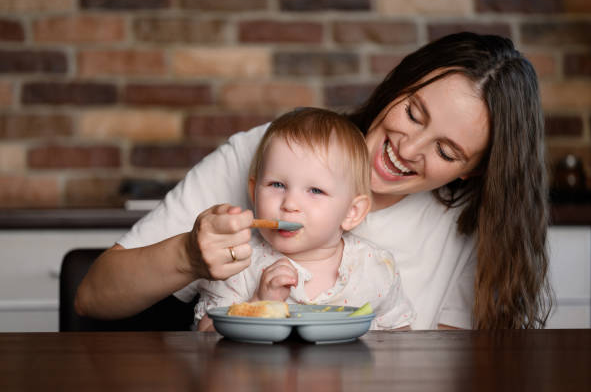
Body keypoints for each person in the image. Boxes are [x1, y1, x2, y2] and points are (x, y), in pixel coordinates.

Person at [75, 32, 553, 330]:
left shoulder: (468, 229)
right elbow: (93, 298)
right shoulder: (271, 151)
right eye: (412, 112)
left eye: (446, 151)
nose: (408, 149)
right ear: (398, 84)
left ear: (472, 170)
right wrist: (186, 255)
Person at [190, 108, 414, 331]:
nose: (290, 204)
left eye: (315, 190)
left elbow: (399, 336)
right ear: (254, 191)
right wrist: (259, 303)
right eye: (277, 185)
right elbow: (206, 335)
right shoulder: (238, 263)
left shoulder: (374, 267)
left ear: (351, 212)